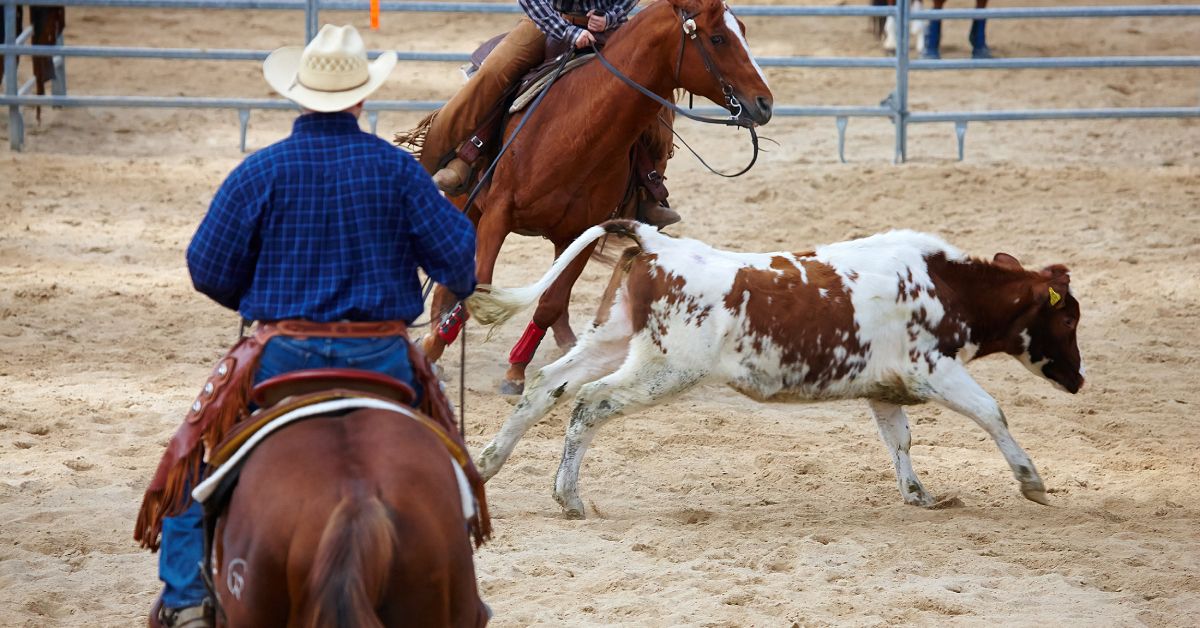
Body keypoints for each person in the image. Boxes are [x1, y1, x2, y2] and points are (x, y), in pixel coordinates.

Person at [144, 24, 477, 628]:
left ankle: (186, 597)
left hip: (282, 355)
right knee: (450, 455)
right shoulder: (398, 172)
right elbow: (459, 263)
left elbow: (207, 269)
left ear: (297, 95)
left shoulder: (260, 171)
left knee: (191, 458)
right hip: (383, 357)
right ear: (362, 97)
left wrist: (259, 299)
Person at [418, 0, 682, 227]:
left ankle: (648, 191)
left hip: (608, 29)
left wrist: (609, 16)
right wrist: (566, 31)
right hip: (546, 23)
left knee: (655, 92)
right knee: (493, 74)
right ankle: (456, 156)